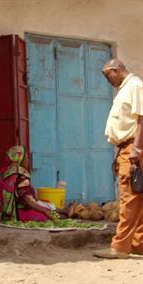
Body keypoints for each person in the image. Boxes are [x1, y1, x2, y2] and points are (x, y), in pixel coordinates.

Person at [94, 59, 143, 259]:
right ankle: (138, 244)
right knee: (137, 197)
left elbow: (141, 119)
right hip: (126, 147)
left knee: (128, 198)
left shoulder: (135, 86)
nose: (107, 80)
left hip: (133, 147)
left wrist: (137, 148)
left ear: (116, 70)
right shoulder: (125, 89)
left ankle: (120, 247)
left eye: (108, 75)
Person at [0, 145, 75, 224]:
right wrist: (44, 211)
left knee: (44, 207)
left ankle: (65, 211)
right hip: (18, 214)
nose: (28, 160)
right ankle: (64, 213)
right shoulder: (21, 175)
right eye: (26, 158)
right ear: (20, 159)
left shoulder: (5, 171)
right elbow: (26, 200)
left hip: (3, 213)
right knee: (50, 216)